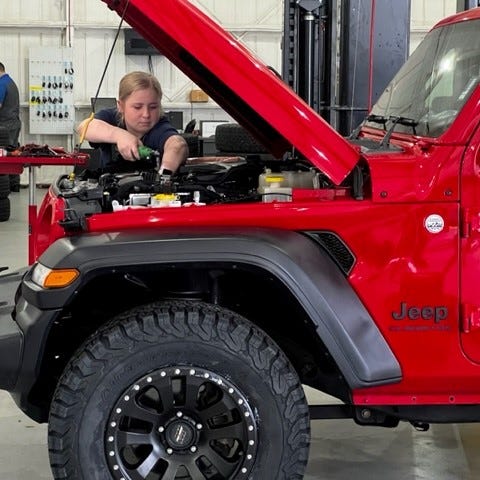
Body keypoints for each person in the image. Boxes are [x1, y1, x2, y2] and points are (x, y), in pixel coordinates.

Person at [78, 71, 187, 174]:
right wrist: (119, 135)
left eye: (153, 107)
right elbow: (84, 128)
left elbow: (177, 145)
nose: (146, 114)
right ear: (120, 106)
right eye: (137, 107)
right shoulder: (111, 117)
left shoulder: (159, 127)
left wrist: (165, 173)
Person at [0, 62, 21, 191]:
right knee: (12, 153)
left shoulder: (1, 84)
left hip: (5, 126)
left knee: (4, 155)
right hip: (13, 123)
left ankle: (5, 187)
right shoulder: (10, 82)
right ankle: (14, 185)